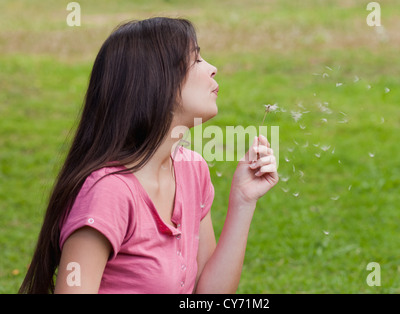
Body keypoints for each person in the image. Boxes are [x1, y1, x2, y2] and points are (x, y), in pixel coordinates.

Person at [19, 17, 278, 294]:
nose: (213, 69)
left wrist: (243, 201)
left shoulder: (192, 170)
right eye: (196, 60)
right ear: (156, 83)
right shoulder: (109, 192)